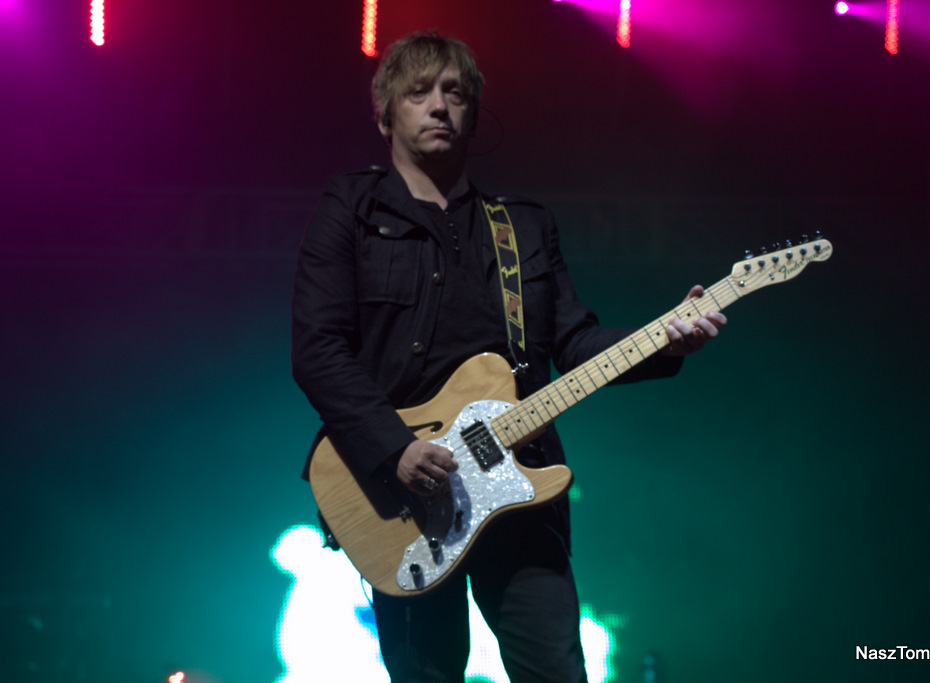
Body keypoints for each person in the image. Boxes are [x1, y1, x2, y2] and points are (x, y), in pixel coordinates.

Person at [291, 31, 727, 683]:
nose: (439, 105)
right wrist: (395, 449)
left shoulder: (520, 225)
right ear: (385, 114)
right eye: (418, 92)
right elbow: (317, 348)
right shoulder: (351, 209)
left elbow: (574, 343)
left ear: (474, 114)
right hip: (403, 494)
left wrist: (667, 337)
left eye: (455, 93)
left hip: (520, 486)